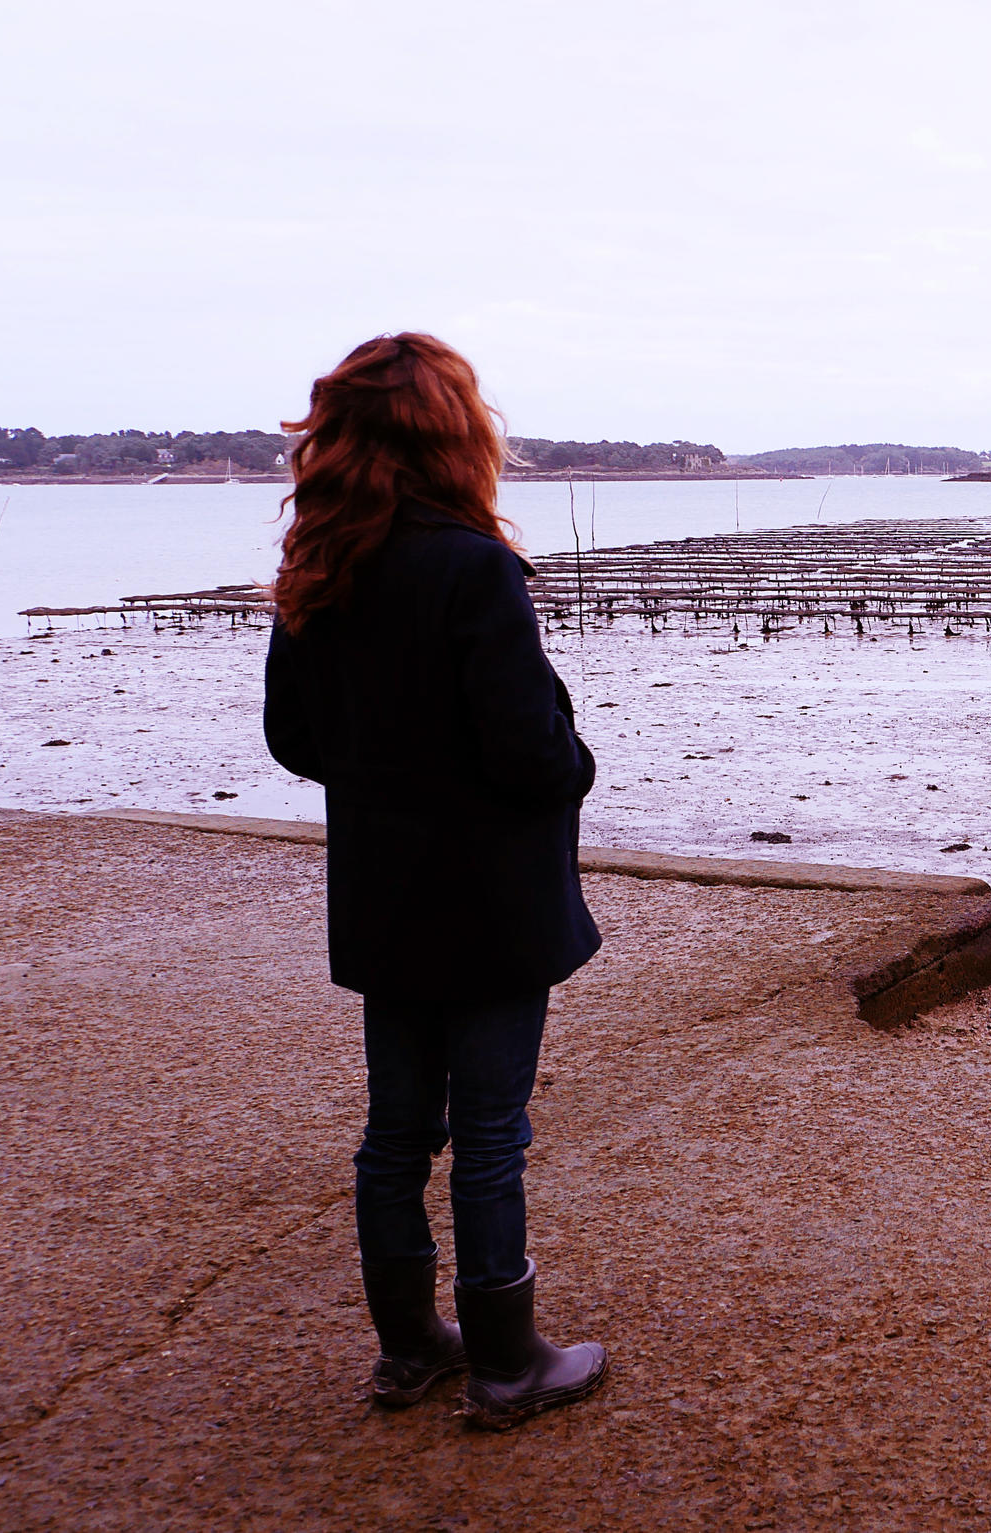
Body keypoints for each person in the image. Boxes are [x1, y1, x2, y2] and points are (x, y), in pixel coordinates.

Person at [262, 333, 607, 1430]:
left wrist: (390, 777)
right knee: (493, 1131)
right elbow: (529, 755)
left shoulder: (321, 563)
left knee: (396, 1131)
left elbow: (293, 738)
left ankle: (409, 1350)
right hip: (492, 901)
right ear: (456, 436)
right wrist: (572, 754)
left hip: (384, 891)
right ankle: (508, 1363)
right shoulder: (472, 565)